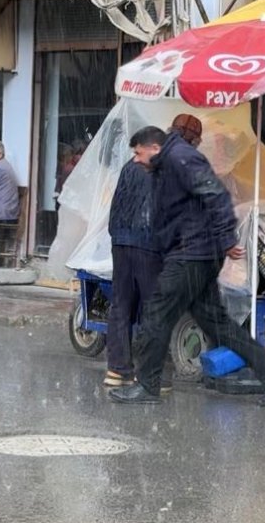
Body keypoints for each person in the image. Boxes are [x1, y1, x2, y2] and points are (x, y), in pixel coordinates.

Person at [110, 113, 265, 407]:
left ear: (154, 148)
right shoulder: (169, 163)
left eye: (138, 153)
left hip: (192, 254)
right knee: (215, 322)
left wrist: (226, 239)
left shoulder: (181, 158)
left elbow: (216, 197)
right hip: (196, 253)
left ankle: (147, 385)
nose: (136, 160)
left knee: (156, 313)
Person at [105, 126, 166, 388]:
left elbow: (118, 203)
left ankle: (118, 370)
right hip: (148, 244)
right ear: (156, 148)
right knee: (153, 308)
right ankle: (149, 372)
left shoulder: (129, 168)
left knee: (121, 304)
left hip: (120, 241)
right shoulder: (160, 170)